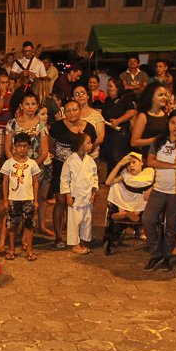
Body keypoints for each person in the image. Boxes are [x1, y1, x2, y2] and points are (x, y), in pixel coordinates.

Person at [142, 110, 176, 271]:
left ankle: (166, 256)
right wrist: (171, 166)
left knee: (172, 225)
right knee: (147, 219)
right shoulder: (159, 140)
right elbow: (151, 161)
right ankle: (156, 253)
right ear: (168, 123)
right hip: (159, 187)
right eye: (173, 123)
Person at [49, 100, 97, 247]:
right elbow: (51, 144)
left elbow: (92, 145)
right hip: (60, 167)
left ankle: (77, 236)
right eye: (68, 110)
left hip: (80, 171)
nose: (72, 113)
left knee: (78, 202)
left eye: (75, 110)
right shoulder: (57, 127)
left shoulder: (89, 128)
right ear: (64, 112)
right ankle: (58, 236)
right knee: (61, 201)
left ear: (80, 110)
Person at [0, 133, 41, 261]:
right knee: (12, 225)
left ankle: (29, 250)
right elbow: (5, 182)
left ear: (29, 147)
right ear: (14, 147)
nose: (22, 149)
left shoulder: (32, 163)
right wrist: (5, 200)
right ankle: (12, 249)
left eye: (24, 146)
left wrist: (35, 200)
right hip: (13, 199)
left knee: (29, 225)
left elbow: (35, 182)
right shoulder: (8, 163)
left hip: (28, 198)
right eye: (19, 146)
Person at [60, 133, 97, 254]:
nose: (91, 145)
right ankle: (75, 244)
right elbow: (64, 179)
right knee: (75, 220)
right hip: (75, 195)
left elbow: (94, 177)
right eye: (88, 143)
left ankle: (83, 242)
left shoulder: (90, 161)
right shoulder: (70, 161)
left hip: (87, 195)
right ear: (80, 145)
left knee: (87, 220)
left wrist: (93, 193)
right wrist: (67, 195)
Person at [105, 152, 154, 222]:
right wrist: (119, 164)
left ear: (141, 162)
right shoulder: (126, 173)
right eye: (128, 164)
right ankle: (123, 213)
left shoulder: (149, 171)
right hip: (128, 197)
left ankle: (134, 214)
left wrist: (151, 189)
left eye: (134, 162)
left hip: (143, 197)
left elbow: (160, 183)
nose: (131, 165)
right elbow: (108, 182)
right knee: (115, 185)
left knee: (153, 194)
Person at [102, 78, 137, 173]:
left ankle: (120, 177)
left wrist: (118, 121)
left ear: (117, 88)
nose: (108, 88)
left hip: (120, 133)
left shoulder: (125, 98)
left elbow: (131, 112)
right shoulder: (108, 100)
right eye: (108, 86)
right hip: (108, 132)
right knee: (109, 156)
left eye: (111, 86)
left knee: (117, 157)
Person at [130, 83, 170, 152]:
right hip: (148, 154)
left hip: (163, 153)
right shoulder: (143, 116)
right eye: (160, 95)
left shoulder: (167, 115)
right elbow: (134, 142)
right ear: (151, 96)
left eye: (165, 95)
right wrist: (153, 141)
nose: (164, 98)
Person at [72, 83, 105, 162]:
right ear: (73, 98)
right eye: (77, 94)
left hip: (91, 157)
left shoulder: (96, 115)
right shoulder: (70, 115)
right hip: (73, 157)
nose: (80, 96)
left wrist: (87, 147)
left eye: (82, 93)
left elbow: (100, 137)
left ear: (87, 96)